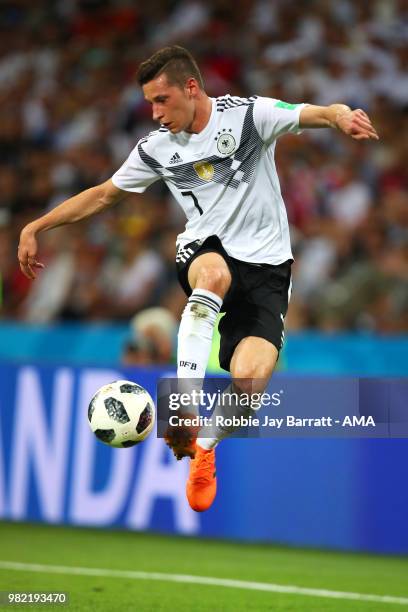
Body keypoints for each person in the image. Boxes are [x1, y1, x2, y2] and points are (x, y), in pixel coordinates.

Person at [18, 46, 379, 513]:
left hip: (268, 267)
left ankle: (204, 448)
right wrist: (36, 226)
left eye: (162, 100)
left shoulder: (249, 117)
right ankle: (183, 403)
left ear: (192, 87)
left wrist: (341, 117)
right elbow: (104, 195)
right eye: (150, 103)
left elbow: (317, 112)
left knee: (252, 382)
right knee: (211, 273)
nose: (155, 113)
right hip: (206, 248)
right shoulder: (155, 147)